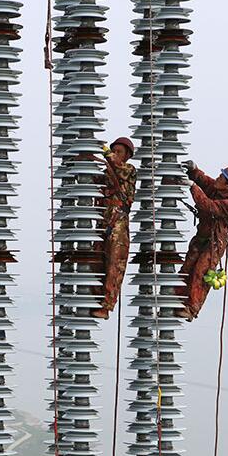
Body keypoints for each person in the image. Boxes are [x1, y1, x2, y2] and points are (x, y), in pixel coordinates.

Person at [175, 162, 228, 321]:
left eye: (222, 177)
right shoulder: (217, 188)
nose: (218, 178)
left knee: (201, 272)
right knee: (187, 269)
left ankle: (191, 308)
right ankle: (176, 303)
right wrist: (193, 170)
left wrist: (192, 186)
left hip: (215, 243)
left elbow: (207, 206)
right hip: (202, 237)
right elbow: (204, 180)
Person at [90, 137, 137, 320]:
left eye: (119, 152)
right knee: (95, 262)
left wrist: (106, 153)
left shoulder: (129, 170)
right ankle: (94, 300)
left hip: (118, 223)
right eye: (114, 150)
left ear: (127, 155)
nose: (115, 154)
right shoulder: (106, 174)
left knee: (114, 266)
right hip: (103, 223)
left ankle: (106, 306)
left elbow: (118, 167)